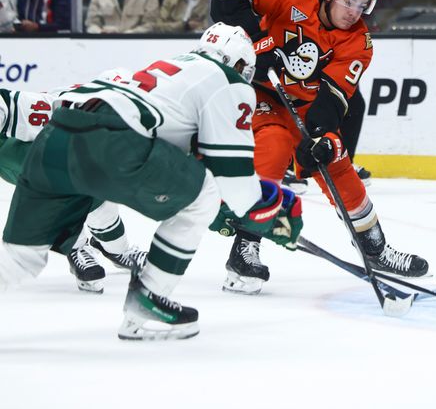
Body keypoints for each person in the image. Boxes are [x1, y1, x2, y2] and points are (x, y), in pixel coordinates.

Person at [0, 23, 304, 340]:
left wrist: (227, 209)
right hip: (113, 145)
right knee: (204, 195)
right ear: (240, 64)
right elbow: (237, 189)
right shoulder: (226, 80)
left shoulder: (168, 73)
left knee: (21, 258)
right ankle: (148, 298)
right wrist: (272, 214)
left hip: (55, 140)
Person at [210, 0, 429, 293]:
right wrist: (256, 42)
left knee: (336, 160)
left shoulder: (359, 42)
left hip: (308, 103)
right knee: (274, 145)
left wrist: (321, 136)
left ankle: (375, 248)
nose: (354, 11)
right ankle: (245, 247)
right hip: (263, 94)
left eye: (362, 4)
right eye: (348, 0)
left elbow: (333, 99)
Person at [0, 83, 147, 293]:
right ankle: (78, 248)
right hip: (18, 148)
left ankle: (115, 250)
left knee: (94, 193)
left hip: (65, 141)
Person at [310, 0, 373, 188]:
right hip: (308, 49)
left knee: (354, 103)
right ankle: (287, 165)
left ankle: (343, 161)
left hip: (335, 54)